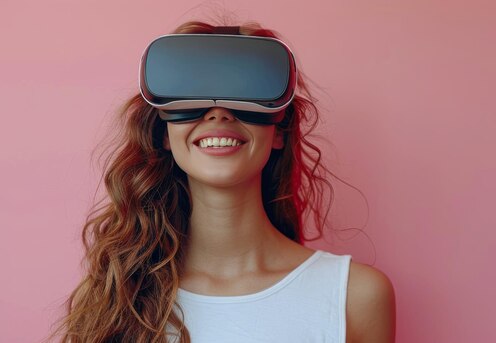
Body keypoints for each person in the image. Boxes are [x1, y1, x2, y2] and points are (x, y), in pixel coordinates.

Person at [49, 20, 395, 343]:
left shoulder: (355, 295)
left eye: (245, 92)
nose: (219, 112)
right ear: (165, 134)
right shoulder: (118, 296)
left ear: (278, 132)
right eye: (192, 94)